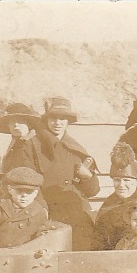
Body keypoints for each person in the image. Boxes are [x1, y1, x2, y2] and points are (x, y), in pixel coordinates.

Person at [36, 97, 100, 251]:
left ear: (68, 121)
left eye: (63, 119)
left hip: (74, 210)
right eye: (53, 118)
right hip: (47, 211)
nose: (58, 123)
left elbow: (92, 191)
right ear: (47, 119)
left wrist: (88, 177)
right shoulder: (35, 145)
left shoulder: (75, 149)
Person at [0, 103, 49, 174]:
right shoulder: (13, 145)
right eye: (12, 122)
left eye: (20, 121)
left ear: (29, 124)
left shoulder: (37, 144)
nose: (16, 125)